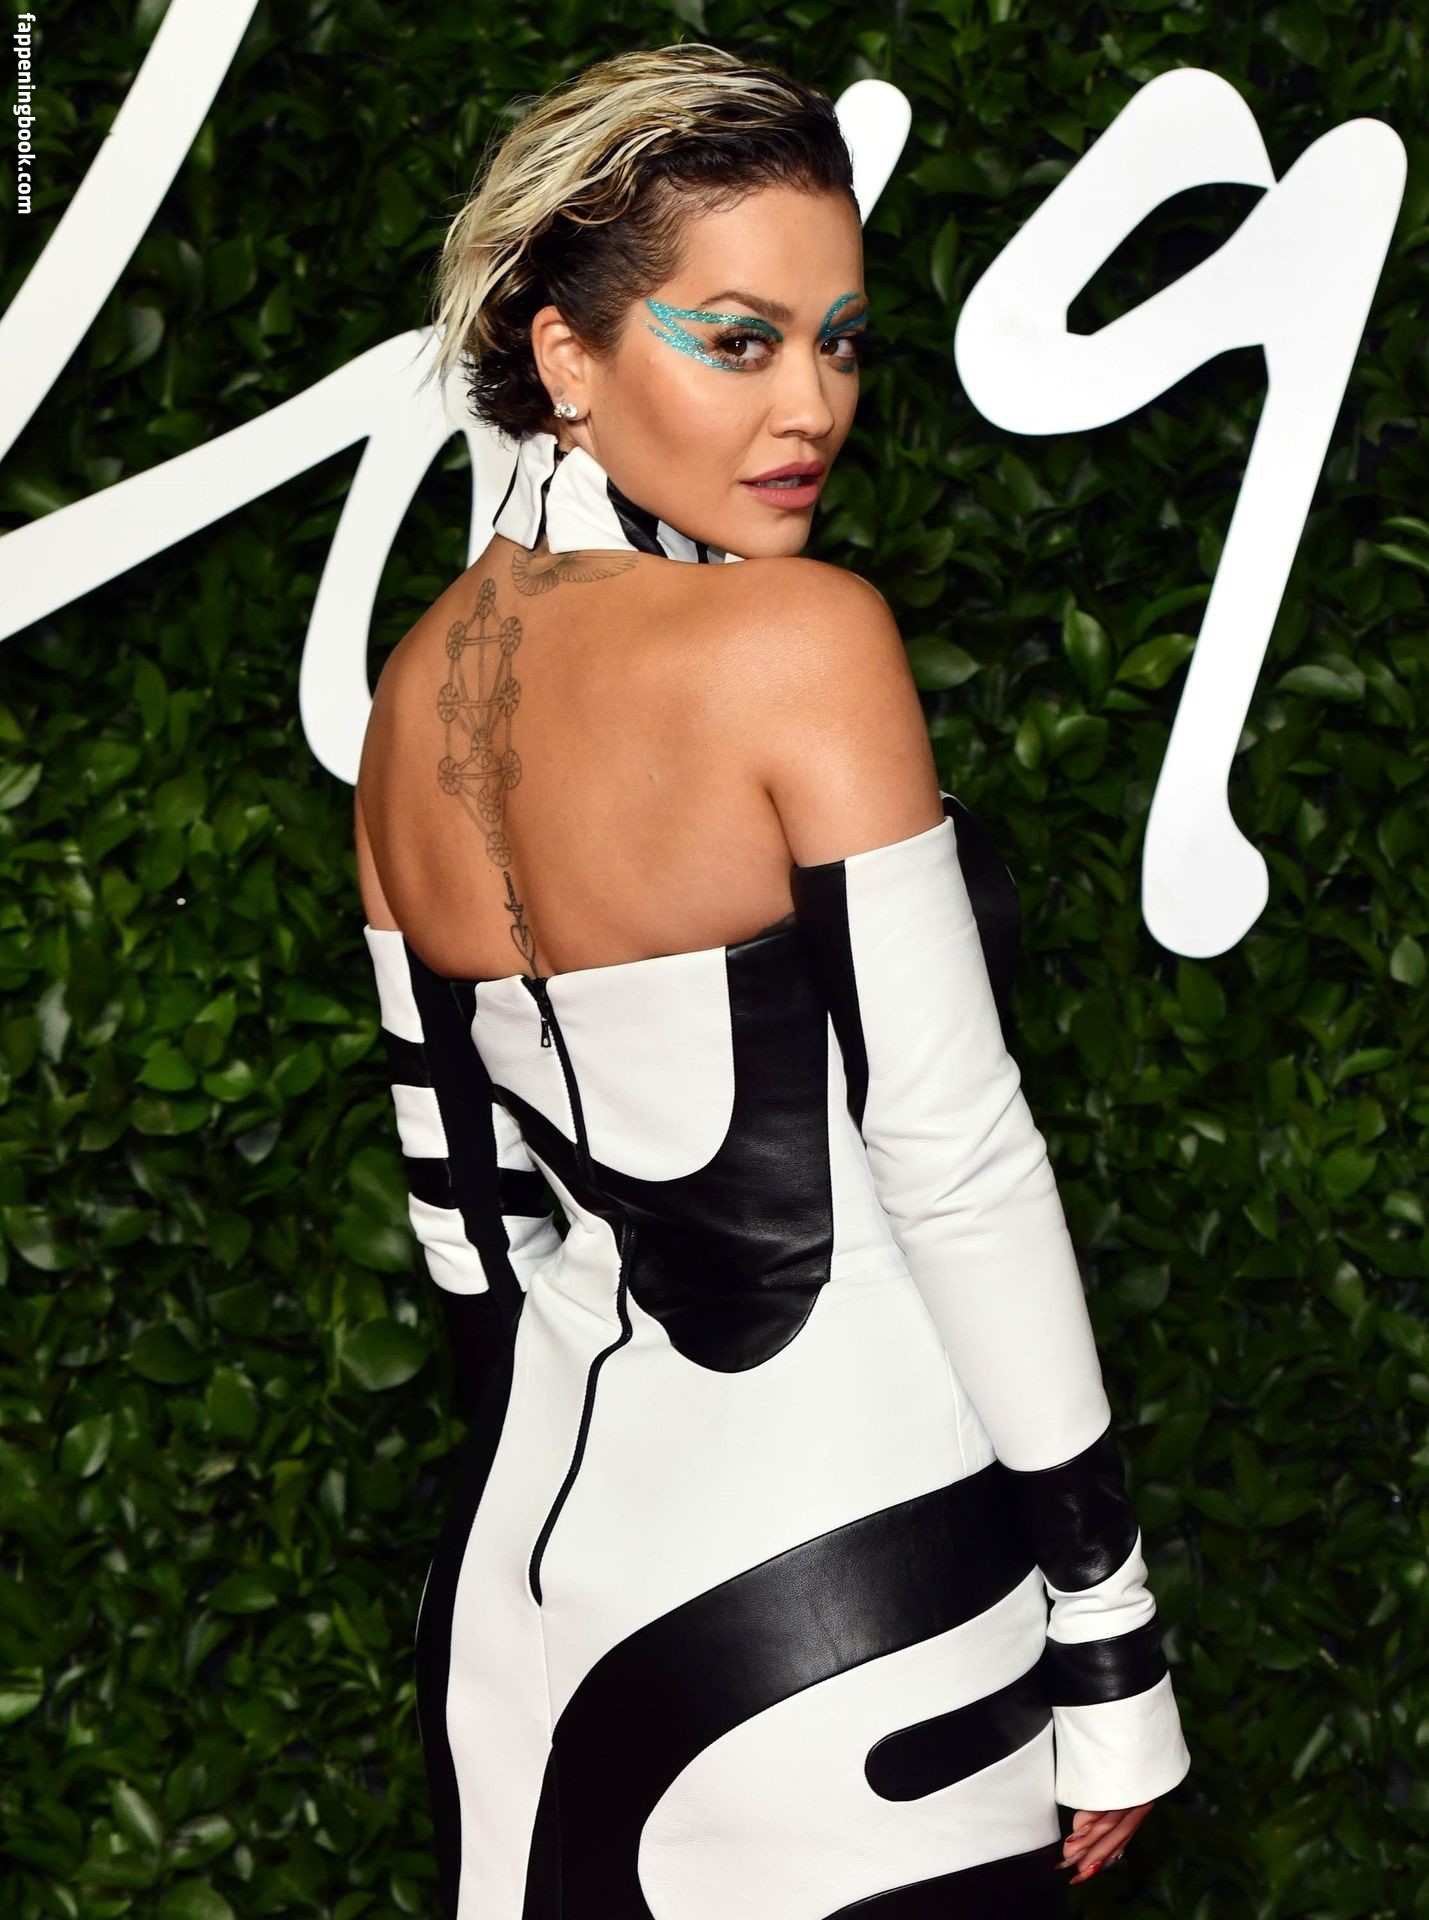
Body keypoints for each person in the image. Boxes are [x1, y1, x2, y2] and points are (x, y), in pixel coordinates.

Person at [353, 41, 1191, 1919]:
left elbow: (466, 1236)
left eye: (840, 343)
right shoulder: (798, 642)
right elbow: (955, 1161)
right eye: (737, 340)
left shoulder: (407, 703)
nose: (811, 404)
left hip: (526, 1607)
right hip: (843, 1590)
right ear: (563, 354)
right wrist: (1108, 1628)